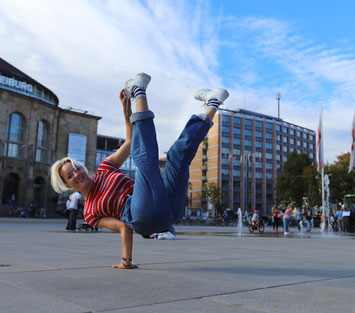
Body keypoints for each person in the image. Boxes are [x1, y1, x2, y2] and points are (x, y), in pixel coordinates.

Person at [50, 72, 229, 269]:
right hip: (142, 216)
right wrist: (126, 262)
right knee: (144, 159)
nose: (77, 174)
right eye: (70, 175)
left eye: (76, 168)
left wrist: (125, 108)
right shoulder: (91, 213)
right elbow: (123, 227)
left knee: (178, 155)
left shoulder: (105, 168)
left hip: (168, 211)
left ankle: (213, 103)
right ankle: (139, 90)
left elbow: (129, 140)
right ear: (67, 185)